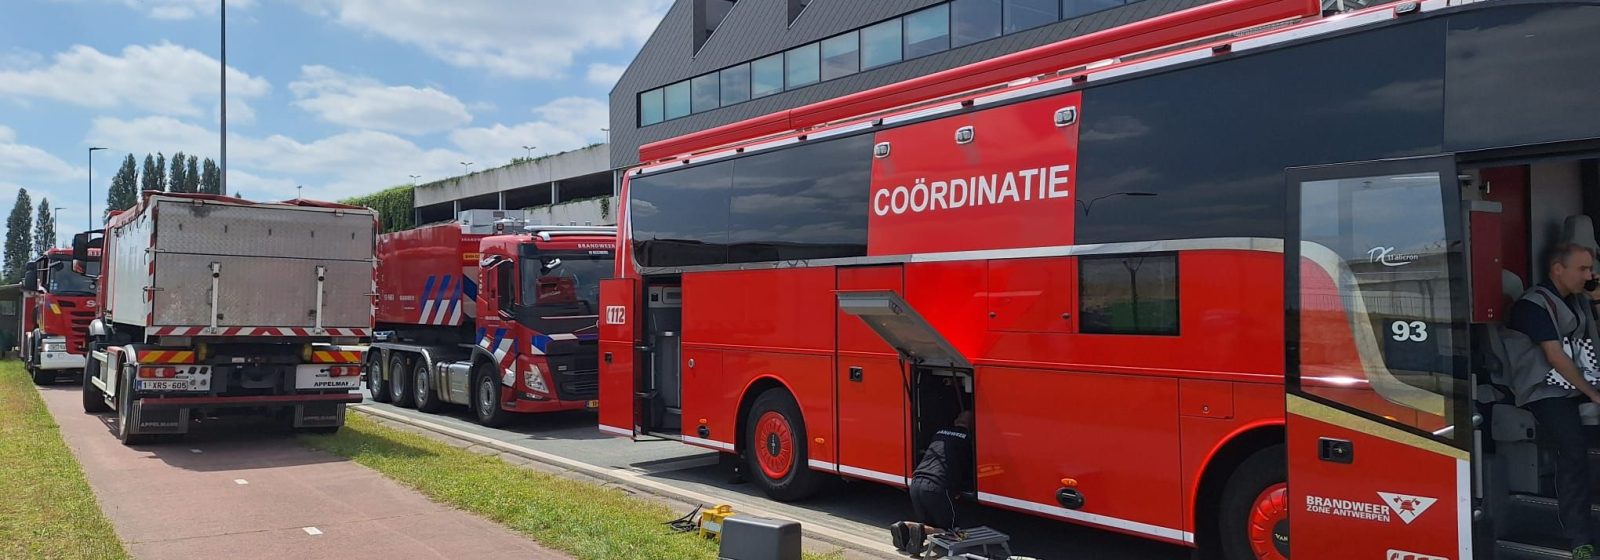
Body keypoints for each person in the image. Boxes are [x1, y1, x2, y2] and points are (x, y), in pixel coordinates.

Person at [1508, 242, 1600, 559]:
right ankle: (1580, 541)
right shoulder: (1534, 305)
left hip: (1572, 385)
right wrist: (1591, 394)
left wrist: (1597, 303)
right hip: (1543, 389)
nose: (1590, 275)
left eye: (1591, 269)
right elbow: (1554, 356)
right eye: (1583, 269)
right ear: (1558, 269)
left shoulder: (1577, 303)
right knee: (1573, 449)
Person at [891, 410, 974, 556]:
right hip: (938, 486)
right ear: (972, 426)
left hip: (916, 483)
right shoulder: (968, 439)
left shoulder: (939, 432)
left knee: (930, 523)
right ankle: (920, 531)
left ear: (955, 421)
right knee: (953, 531)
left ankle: (905, 526)